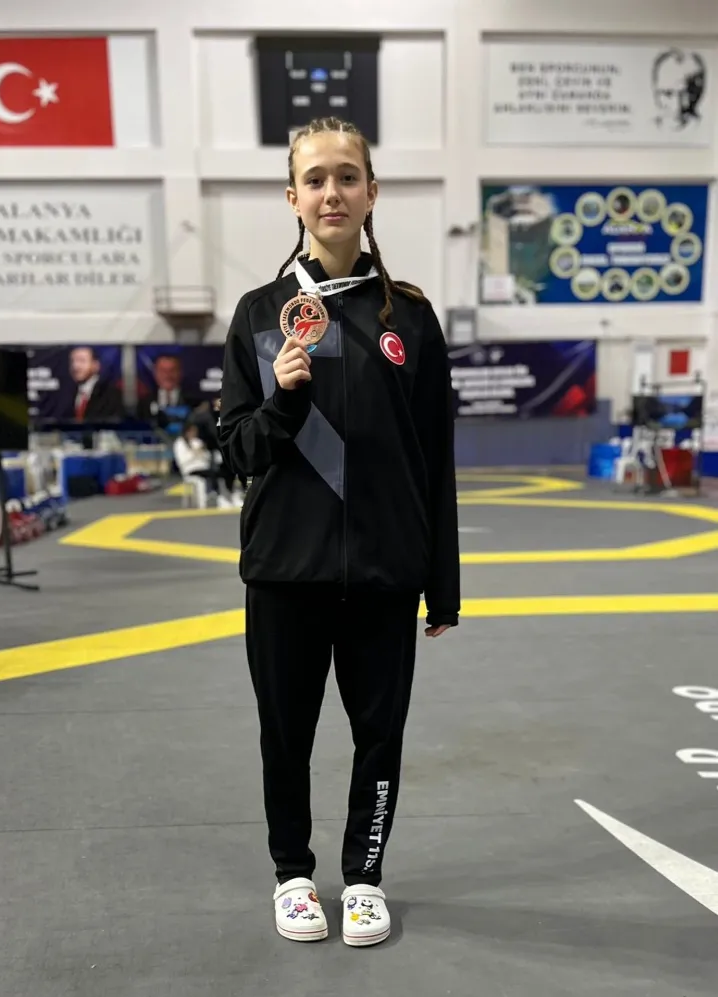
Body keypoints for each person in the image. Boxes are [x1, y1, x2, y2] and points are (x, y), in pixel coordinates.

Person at [218, 116, 459, 948]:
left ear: (371, 193)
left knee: (378, 738)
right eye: (315, 179)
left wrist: (442, 584)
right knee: (285, 738)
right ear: (293, 197)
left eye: (347, 176)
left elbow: (435, 461)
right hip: (284, 572)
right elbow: (238, 452)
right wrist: (283, 399)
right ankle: (293, 873)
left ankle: (363, 879)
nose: (332, 192)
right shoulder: (261, 314)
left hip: (385, 574)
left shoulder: (412, 319)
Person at [172, 422, 228, 507]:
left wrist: (202, 452)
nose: (194, 433)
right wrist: (194, 453)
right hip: (189, 469)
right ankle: (210, 499)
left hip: (202, 467)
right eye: (192, 431)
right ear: (187, 432)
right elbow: (182, 461)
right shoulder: (180, 443)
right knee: (210, 475)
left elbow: (207, 457)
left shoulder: (197, 441)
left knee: (218, 472)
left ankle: (220, 496)